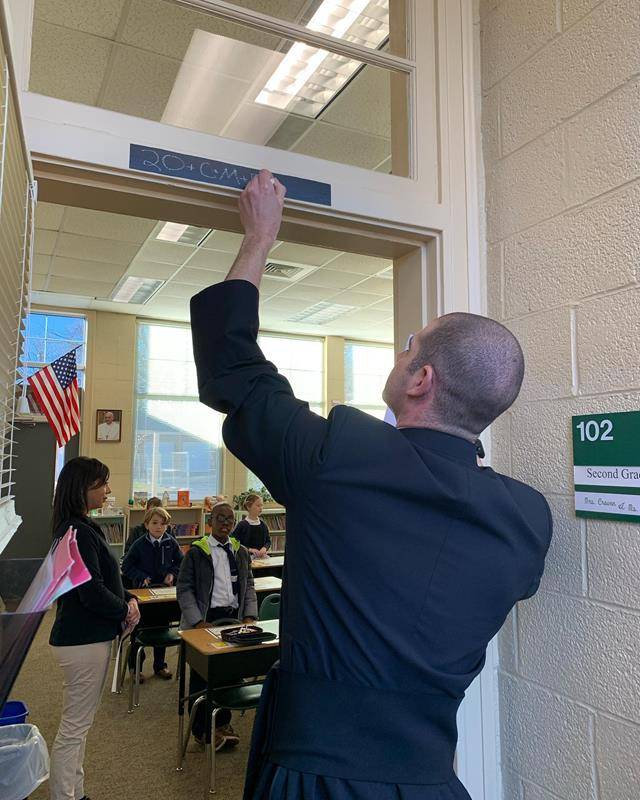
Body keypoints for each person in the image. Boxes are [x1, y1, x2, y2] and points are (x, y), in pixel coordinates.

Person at [189, 171, 553, 800]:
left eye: (409, 347)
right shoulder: (527, 520)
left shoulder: (344, 457)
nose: (400, 353)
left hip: (314, 779)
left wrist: (259, 238)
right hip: (431, 781)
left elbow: (235, 373)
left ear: (421, 380)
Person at [49, 457, 140, 800]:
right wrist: (124, 609)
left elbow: (104, 579)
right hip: (83, 640)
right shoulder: (76, 531)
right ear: (81, 488)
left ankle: (76, 791)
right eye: (102, 484)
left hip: (84, 638)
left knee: (80, 726)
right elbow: (88, 591)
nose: (108, 490)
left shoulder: (77, 527)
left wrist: (127, 597)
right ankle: (64, 796)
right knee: (74, 728)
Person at [176, 501, 258, 751]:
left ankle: (222, 724)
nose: (225, 523)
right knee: (204, 675)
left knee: (230, 673)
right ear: (210, 522)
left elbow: (249, 586)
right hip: (204, 620)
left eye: (230, 520)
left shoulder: (240, 551)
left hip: (233, 619)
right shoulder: (197, 551)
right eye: (220, 519)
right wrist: (198, 621)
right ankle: (201, 729)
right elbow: (185, 589)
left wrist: (250, 617)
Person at [121, 506, 183, 680]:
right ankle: (136, 668)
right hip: (142, 595)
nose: (159, 527)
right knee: (138, 632)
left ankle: (160, 665)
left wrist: (173, 573)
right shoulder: (139, 544)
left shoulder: (171, 542)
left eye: (163, 524)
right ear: (147, 525)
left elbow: (181, 563)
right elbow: (126, 566)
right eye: (155, 523)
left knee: (162, 629)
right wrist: (141, 577)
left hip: (162, 594)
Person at [233, 494, 271, 558]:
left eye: (262, 505)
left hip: (261, 557)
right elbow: (234, 542)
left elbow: (268, 541)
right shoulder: (242, 525)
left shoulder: (263, 525)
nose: (261, 508)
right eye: (258, 505)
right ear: (248, 507)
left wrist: (264, 548)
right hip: (246, 557)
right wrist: (250, 549)